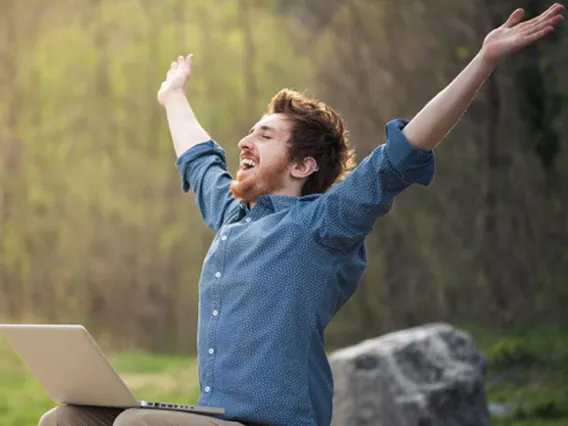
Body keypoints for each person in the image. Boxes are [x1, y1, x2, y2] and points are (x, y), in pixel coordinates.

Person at [38, 4, 564, 426]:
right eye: (250, 131)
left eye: (264, 136)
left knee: (140, 425)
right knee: (65, 416)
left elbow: (400, 155)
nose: (245, 140)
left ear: (303, 164)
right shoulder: (231, 216)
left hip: (276, 421)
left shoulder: (324, 226)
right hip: (212, 417)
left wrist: (484, 60)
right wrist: (173, 96)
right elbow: (197, 157)